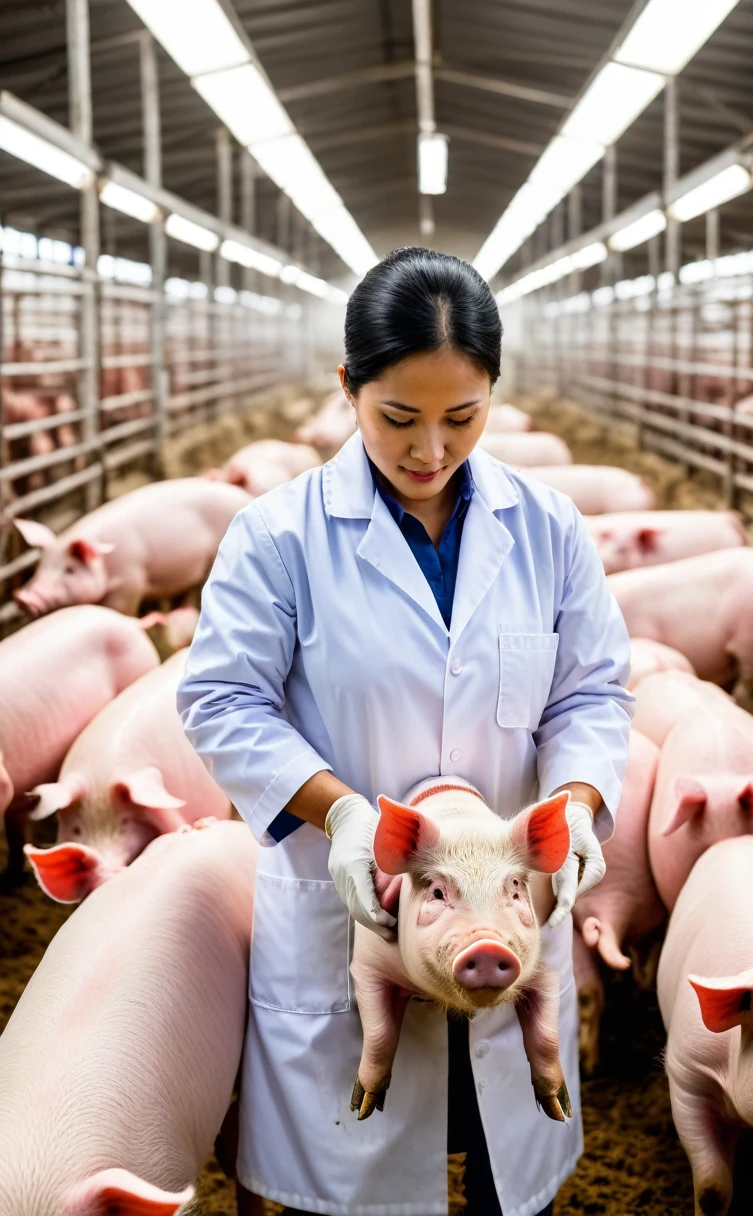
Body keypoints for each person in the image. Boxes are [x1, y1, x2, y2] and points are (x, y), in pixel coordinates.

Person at [177, 246, 633, 1216]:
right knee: (359, 1192)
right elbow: (220, 699)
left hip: (504, 914)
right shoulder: (278, 538)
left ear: (492, 395)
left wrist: (579, 803)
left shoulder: (547, 528)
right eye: (398, 418)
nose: (430, 449)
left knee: (511, 1180)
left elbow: (592, 692)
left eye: (461, 418)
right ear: (347, 387)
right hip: (355, 925)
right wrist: (340, 814)